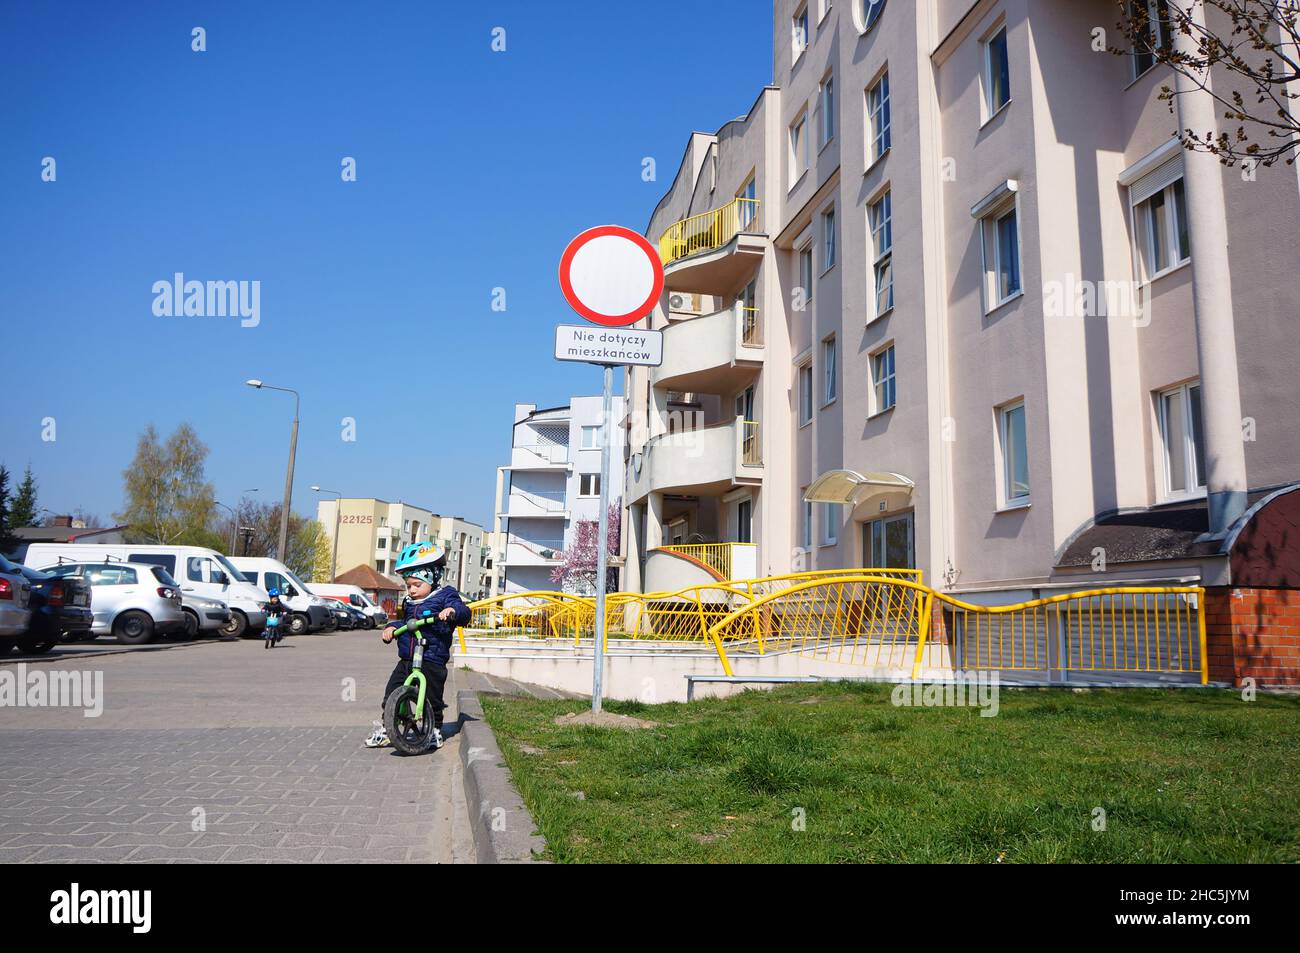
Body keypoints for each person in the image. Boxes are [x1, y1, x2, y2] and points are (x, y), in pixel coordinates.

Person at [364, 542, 470, 750]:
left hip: (432, 657)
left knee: (432, 696)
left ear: (433, 577)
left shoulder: (446, 595)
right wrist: (392, 628)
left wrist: (451, 611)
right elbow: (406, 623)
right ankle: (389, 727)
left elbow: (463, 612)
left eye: (416, 585)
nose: (411, 590)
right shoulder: (410, 602)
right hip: (408, 658)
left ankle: (435, 730)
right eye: (408, 585)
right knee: (392, 690)